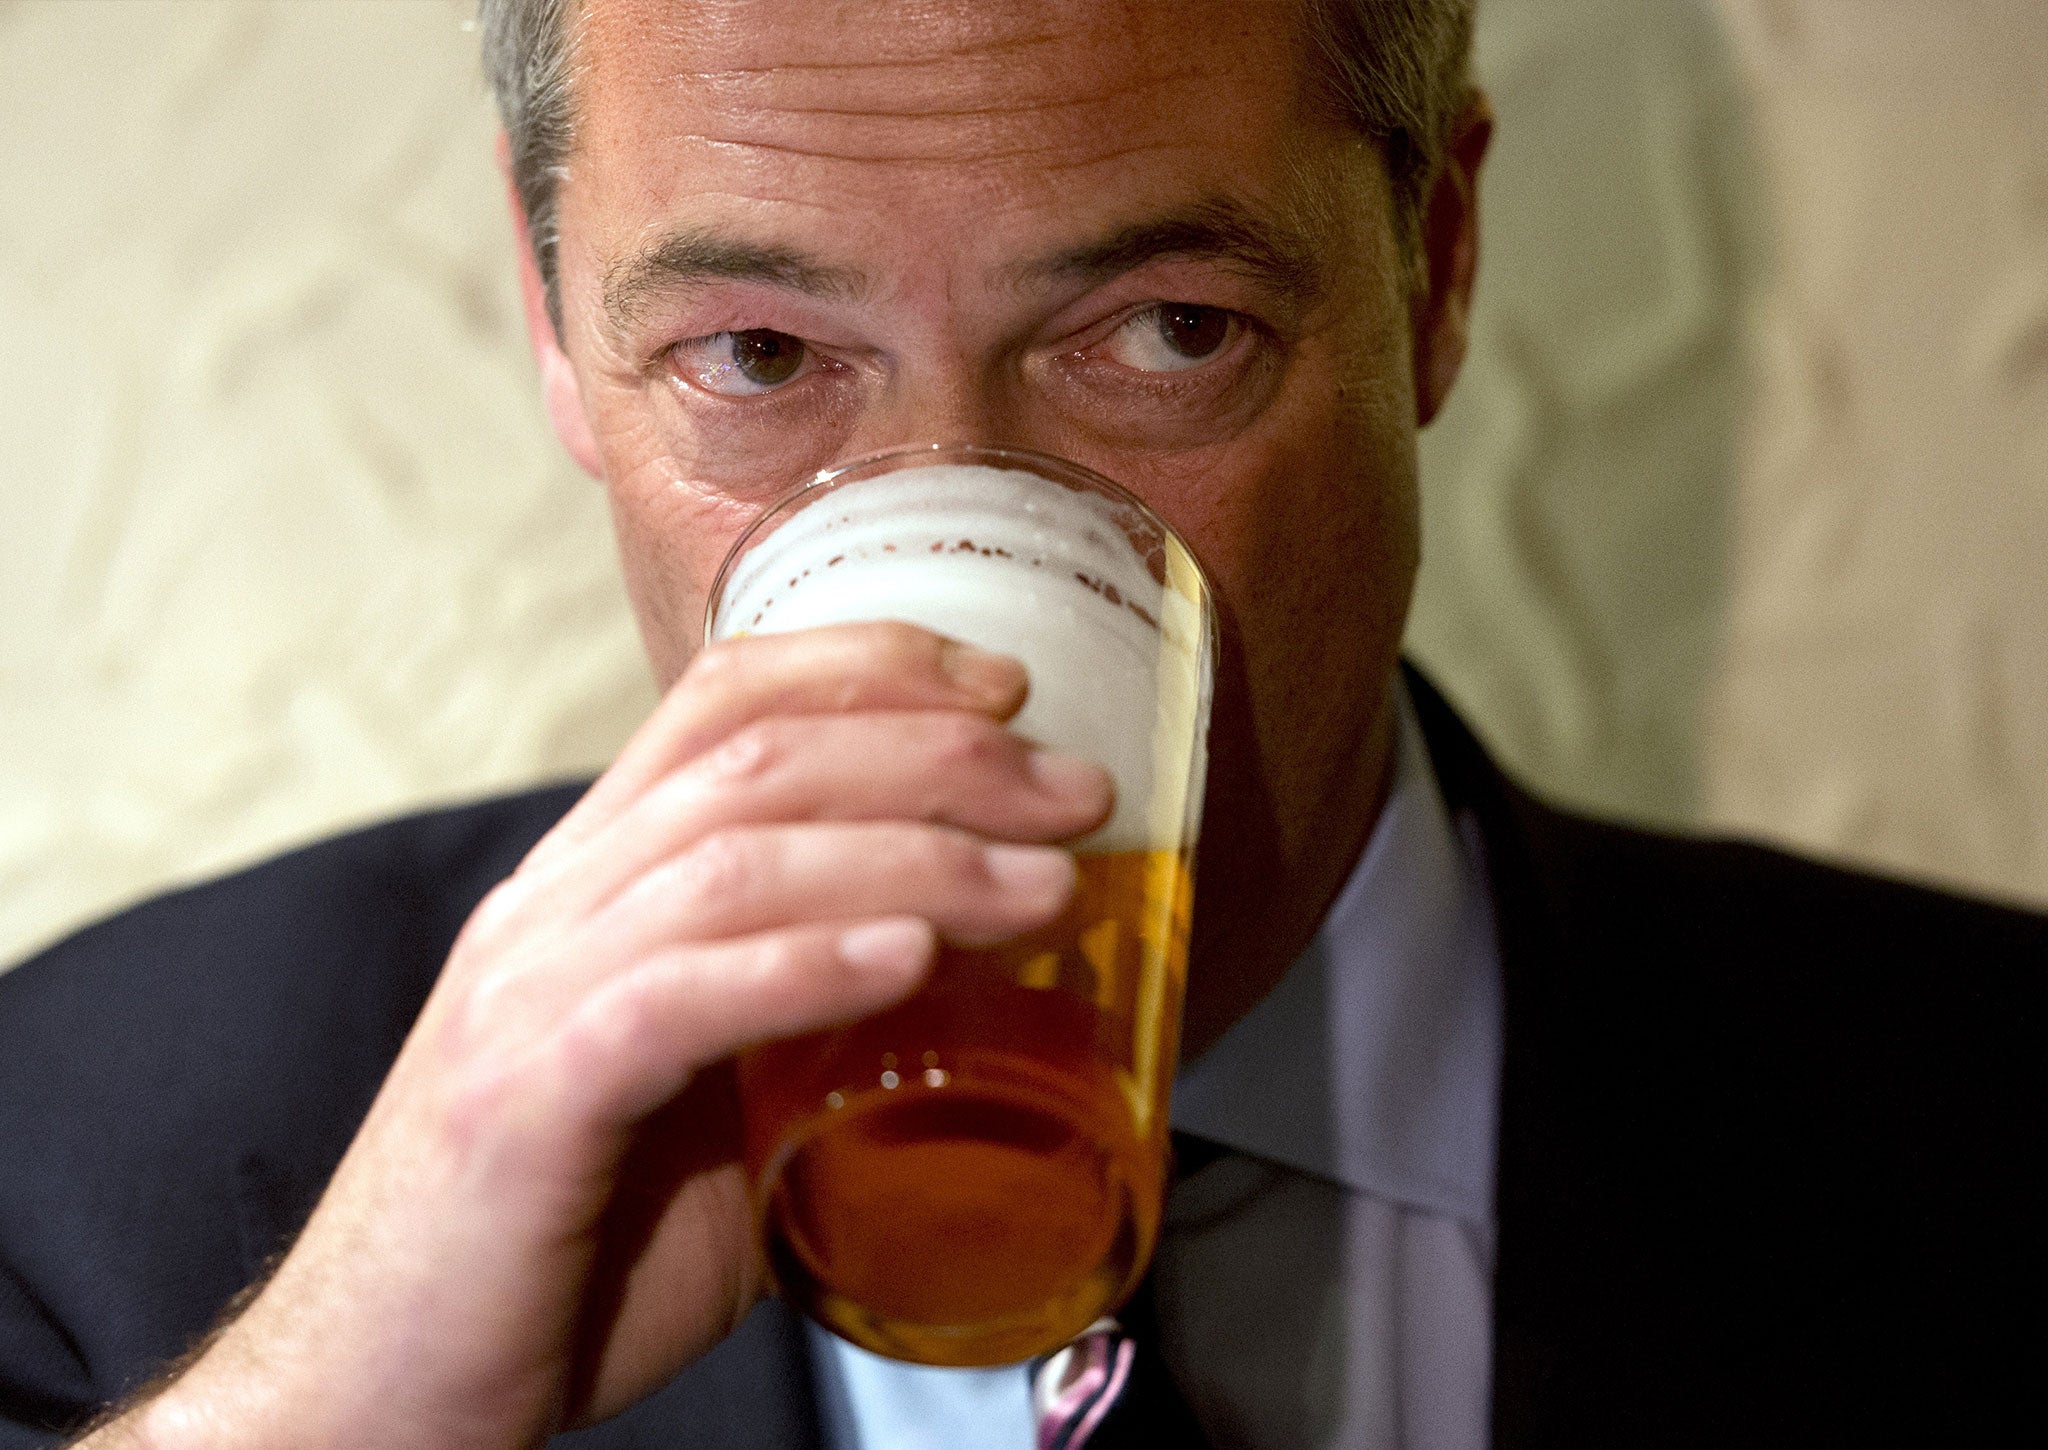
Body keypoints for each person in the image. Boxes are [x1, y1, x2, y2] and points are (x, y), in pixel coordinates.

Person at [0, 1, 2039, 1447]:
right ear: (554, 324)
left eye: (1166, 333)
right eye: (762, 352)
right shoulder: (86, 1151)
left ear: (1432, 264)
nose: (953, 589)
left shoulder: (1974, 1131)